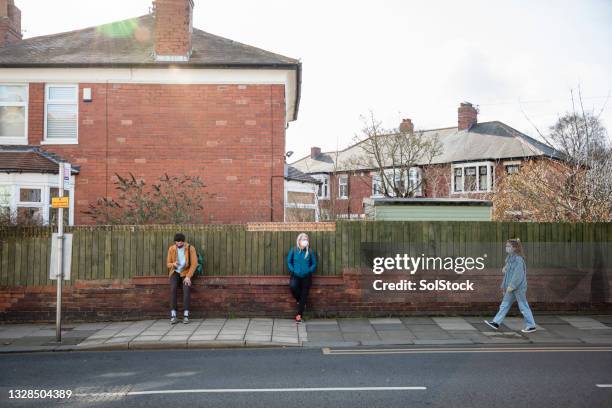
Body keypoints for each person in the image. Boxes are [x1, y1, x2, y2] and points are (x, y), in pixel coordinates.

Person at [485, 238, 537, 333]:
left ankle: (531, 325)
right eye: (506, 246)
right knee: (504, 304)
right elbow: (509, 270)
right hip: (510, 287)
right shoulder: (510, 258)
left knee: (523, 306)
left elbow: (518, 275)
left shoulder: (518, 259)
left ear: (514, 247)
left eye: (508, 246)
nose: (506, 248)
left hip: (518, 288)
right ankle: (496, 322)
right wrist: (505, 268)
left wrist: (512, 285)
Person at [166, 233, 197, 324]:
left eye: (180, 242)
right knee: (173, 289)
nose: (178, 244)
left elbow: (194, 264)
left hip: (186, 272)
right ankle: (173, 315)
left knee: (186, 289)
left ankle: (186, 315)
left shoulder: (190, 248)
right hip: (175, 271)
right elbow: (168, 264)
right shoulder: (171, 249)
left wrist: (188, 277)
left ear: (184, 241)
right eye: (177, 242)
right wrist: (173, 264)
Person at [287, 232, 317, 323]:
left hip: (306, 277)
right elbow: (289, 261)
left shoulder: (310, 252)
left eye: (306, 239)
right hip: (295, 275)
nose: (305, 241)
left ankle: (299, 316)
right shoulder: (294, 250)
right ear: (299, 241)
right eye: (303, 239)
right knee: (293, 287)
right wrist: (293, 270)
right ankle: (300, 301)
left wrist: (309, 270)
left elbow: (314, 263)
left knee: (304, 295)